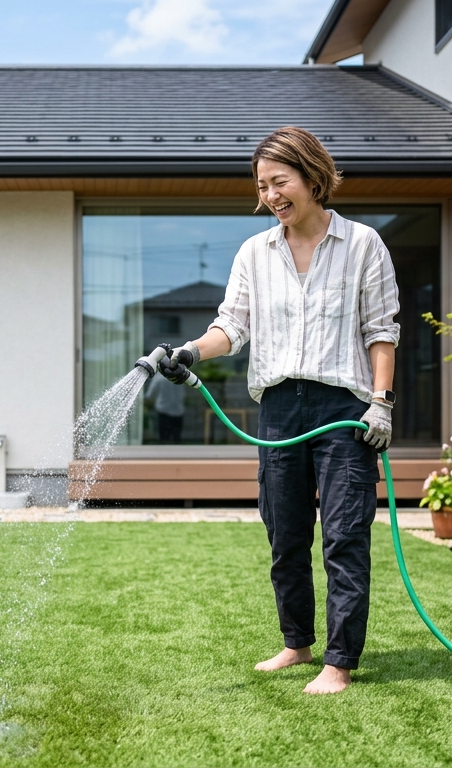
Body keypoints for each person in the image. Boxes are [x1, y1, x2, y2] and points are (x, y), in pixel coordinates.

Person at [159, 126, 399, 695]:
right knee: (285, 535)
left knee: (344, 536)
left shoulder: (363, 244)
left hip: (343, 409)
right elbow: (232, 325)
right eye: (262, 185)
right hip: (279, 410)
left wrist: (381, 404)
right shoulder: (254, 253)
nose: (270, 195)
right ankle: (297, 644)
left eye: (279, 181)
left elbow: (381, 330)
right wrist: (191, 350)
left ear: (312, 177)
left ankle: (339, 662)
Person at [145, 372, 186, 443]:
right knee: (177, 438)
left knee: (164, 438)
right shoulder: (179, 376)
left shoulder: (158, 378)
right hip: (178, 411)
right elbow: (183, 394)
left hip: (163, 411)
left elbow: (149, 395)